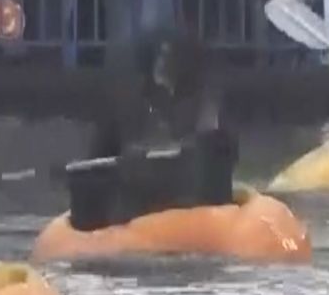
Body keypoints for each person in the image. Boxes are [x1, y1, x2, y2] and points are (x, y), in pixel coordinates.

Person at [68, 30, 237, 230]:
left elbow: (219, 155)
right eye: (160, 55)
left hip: (190, 203)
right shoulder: (131, 106)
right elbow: (100, 164)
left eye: (167, 56)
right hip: (140, 208)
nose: (162, 63)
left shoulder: (204, 104)